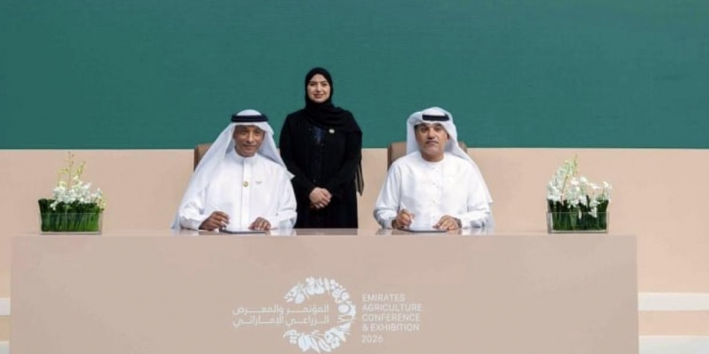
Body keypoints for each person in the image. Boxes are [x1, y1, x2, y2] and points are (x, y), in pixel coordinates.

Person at [174, 110, 297, 232]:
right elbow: (185, 213)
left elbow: (289, 214)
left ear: (263, 137)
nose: (250, 139)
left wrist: (270, 222)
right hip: (217, 243)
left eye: (257, 133)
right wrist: (203, 221)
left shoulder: (277, 172)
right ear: (233, 134)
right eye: (244, 132)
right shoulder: (211, 169)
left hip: (263, 242)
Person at [374, 107, 493, 230]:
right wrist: (395, 221)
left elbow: (482, 212)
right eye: (424, 129)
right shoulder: (400, 167)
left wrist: (458, 222)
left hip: (455, 240)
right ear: (416, 135)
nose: (431, 135)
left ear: (448, 135)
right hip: (410, 240)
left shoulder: (465, 168)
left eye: (438, 129)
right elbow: (383, 210)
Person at [279, 67, 363, 228]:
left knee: (340, 244)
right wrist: (310, 191)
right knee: (301, 244)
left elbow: (352, 161)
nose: (318, 89)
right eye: (313, 84)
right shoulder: (293, 121)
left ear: (331, 88)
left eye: (324, 84)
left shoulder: (346, 120)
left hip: (339, 201)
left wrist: (328, 192)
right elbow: (287, 161)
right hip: (302, 200)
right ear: (306, 88)